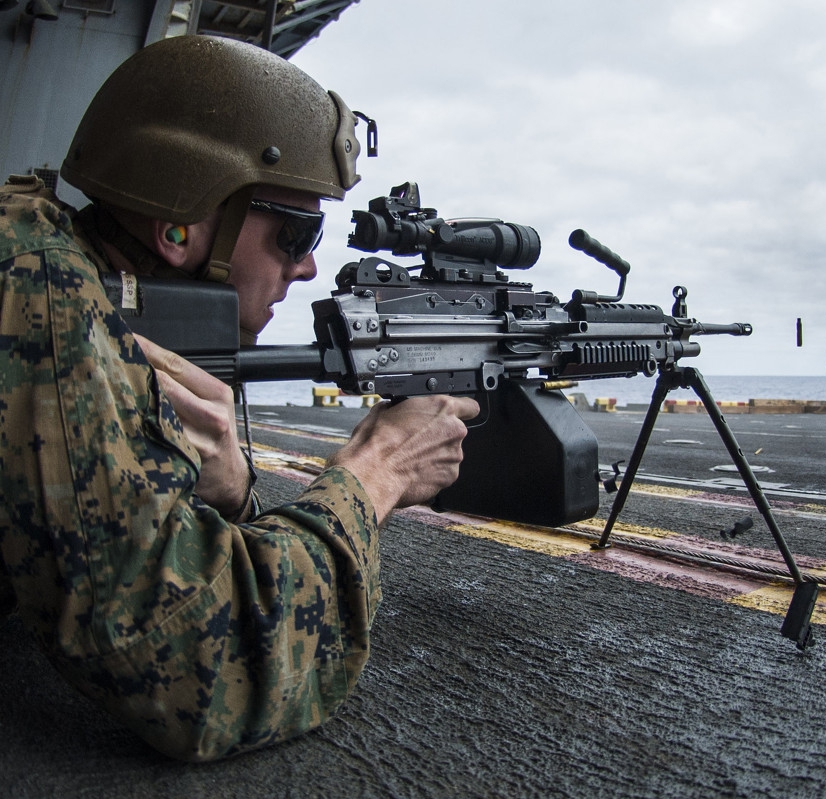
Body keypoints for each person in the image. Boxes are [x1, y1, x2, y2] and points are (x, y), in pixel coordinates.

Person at [0, 35, 478, 761]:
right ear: (181, 222)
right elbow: (197, 662)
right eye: (296, 230)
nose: (310, 263)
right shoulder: (44, 291)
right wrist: (374, 476)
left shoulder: (52, 255)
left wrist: (233, 486)